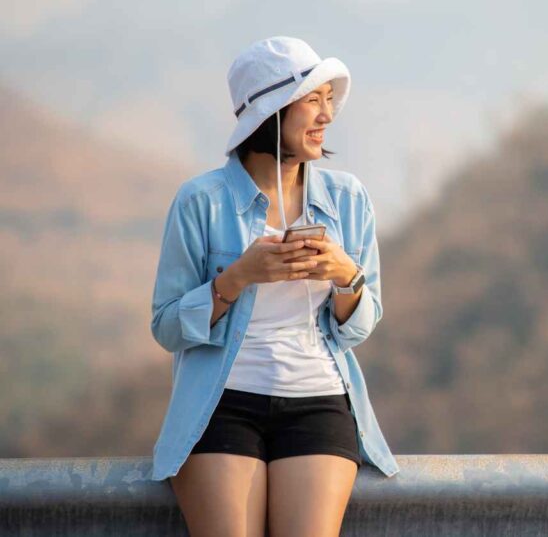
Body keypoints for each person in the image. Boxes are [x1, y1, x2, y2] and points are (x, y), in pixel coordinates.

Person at [149, 36, 399, 536]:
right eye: (312, 100)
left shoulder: (349, 199)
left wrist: (344, 273)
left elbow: (358, 327)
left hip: (320, 402)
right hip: (219, 406)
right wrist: (239, 277)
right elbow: (167, 327)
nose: (326, 114)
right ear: (269, 112)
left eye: (329, 99)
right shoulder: (201, 201)